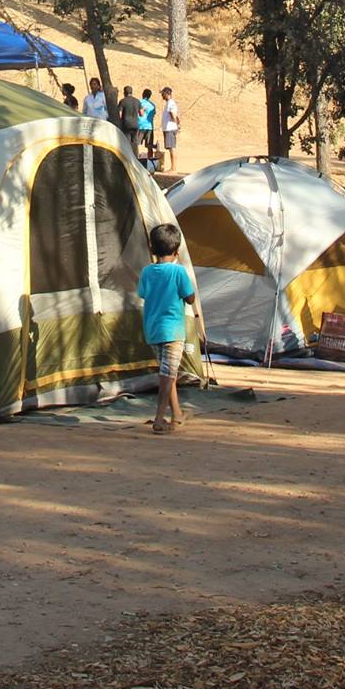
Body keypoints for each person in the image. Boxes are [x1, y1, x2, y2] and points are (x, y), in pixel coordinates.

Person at [138, 224, 197, 434]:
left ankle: (177, 413)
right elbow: (190, 298)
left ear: (152, 249)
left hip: (153, 331)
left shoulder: (147, 272)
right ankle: (159, 418)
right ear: (177, 251)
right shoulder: (179, 272)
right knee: (168, 375)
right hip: (172, 331)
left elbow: (143, 294)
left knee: (167, 372)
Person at [159, 86, 181, 172]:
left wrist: (176, 124)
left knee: (172, 148)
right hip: (168, 128)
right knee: (170, 148)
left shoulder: (171, 103)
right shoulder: (169, 103)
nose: (162, 96)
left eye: (163, 94)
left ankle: (173, 168)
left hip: (170, 128)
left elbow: (173, 114)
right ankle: (172, 167)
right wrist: (178, 122)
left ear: (167, 94)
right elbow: (176, 116)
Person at [137, 88, 158, 163]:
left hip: (140, 126)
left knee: (136, 144)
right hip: (149, 127)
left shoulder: (139, 102)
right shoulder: (152, 105)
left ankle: (136, 160)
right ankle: (150, 162)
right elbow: (154, 114)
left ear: (143, 94)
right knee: (149, 146)